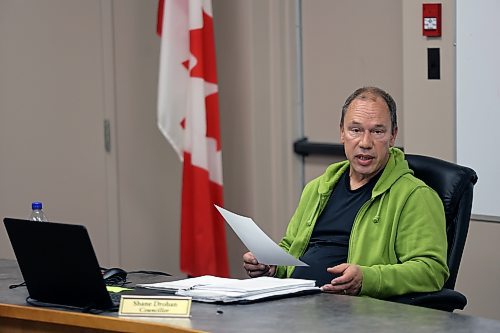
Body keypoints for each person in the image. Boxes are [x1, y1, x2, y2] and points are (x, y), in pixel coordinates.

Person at [243, 86, 449, 299]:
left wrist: (366, 279)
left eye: (377, 131)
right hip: (294, 303)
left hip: (355, 313)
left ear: (393, 135)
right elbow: (291, 247)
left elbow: (431, 271)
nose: (365, 143)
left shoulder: (415, 195)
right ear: (342, 132)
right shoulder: (318, 188)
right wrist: (273, 267)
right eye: (355, 130)